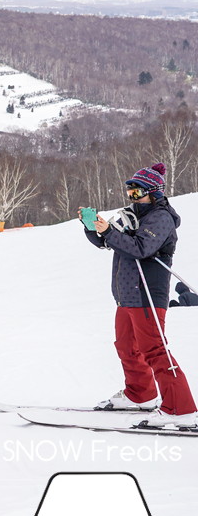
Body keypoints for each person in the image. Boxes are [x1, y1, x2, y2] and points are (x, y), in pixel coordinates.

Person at [86, 163, 197, 426]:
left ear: (154, 192)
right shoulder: (132, 214)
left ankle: (181, 409)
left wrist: (110, 232)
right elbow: (107, 242)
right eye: (129, 192)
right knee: (126, 346)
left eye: (137, 193)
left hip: (147, 292)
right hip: (127, 293)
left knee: (154, 349)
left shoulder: (161, 217)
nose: (131, 197)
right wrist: (93, 228)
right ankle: (141, 395)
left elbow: (141, 248)